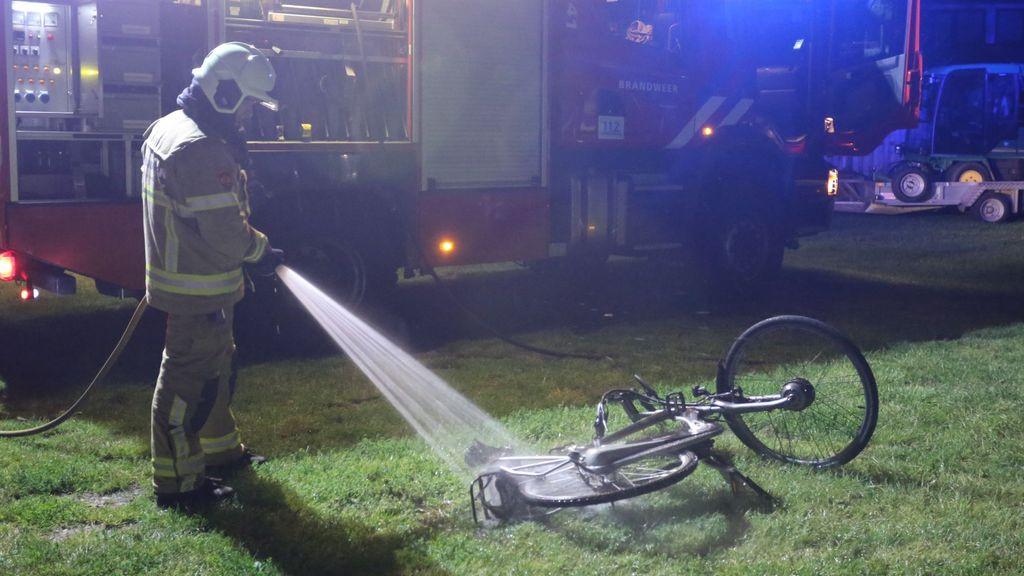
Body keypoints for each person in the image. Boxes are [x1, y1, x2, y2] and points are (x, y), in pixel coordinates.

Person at [141, 41, 284, 509]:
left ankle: (222, 454)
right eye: (247, 105)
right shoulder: (202, 150)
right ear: (224, 93)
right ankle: (179, 486)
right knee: (188, 387)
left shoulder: (170, 128)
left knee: (216, 372)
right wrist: (261, 251)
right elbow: (225, 232)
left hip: (197, 284)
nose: (247, 117)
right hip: (197, 290)